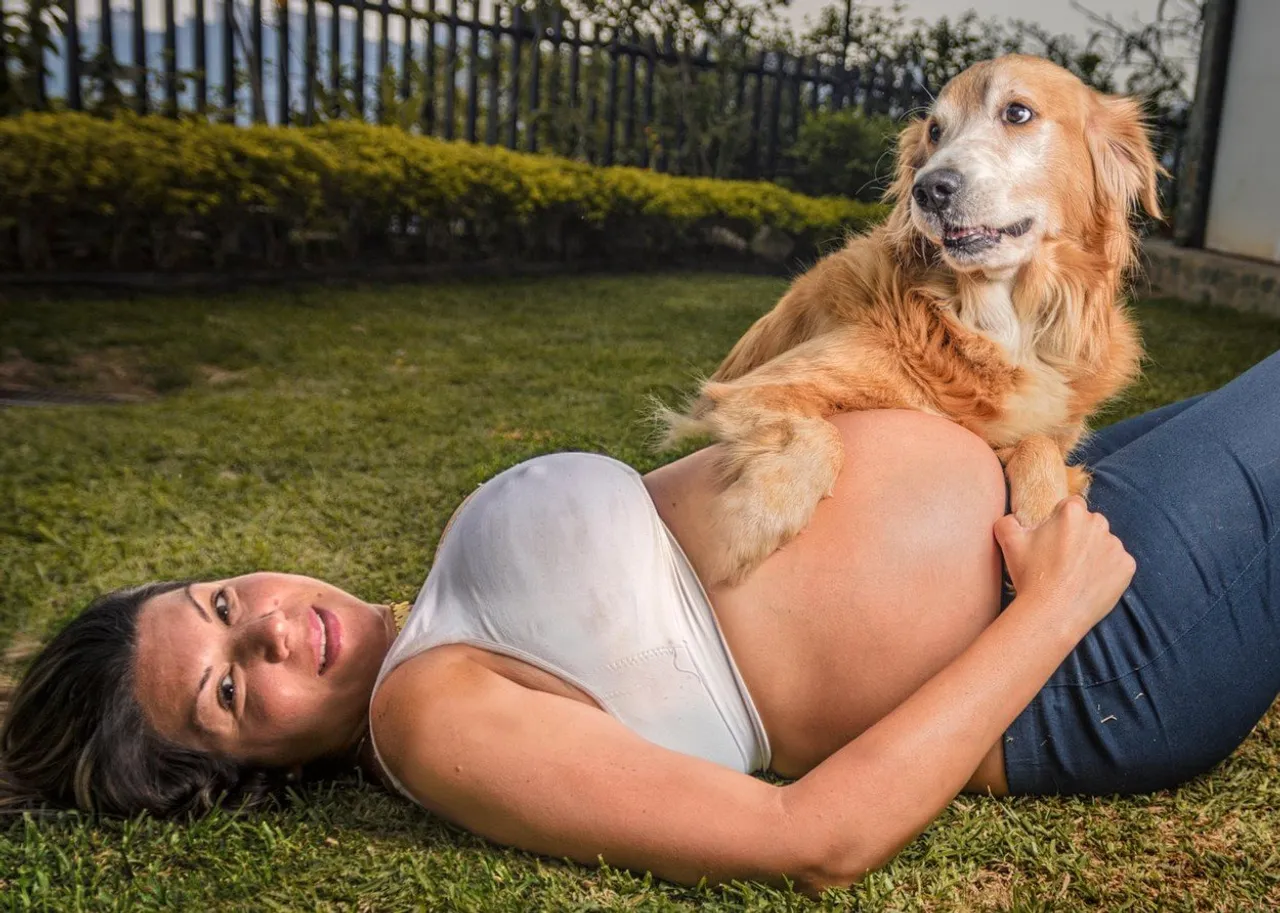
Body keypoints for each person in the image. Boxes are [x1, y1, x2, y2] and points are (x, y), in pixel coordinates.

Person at [3, 349, 1278, 894]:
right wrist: (1050, 614)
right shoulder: (428, 718)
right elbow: (809, 837)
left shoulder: (442, 619)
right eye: (228, 691)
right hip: (1092, 647)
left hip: (1056, 502)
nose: (267, 633)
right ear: (238, 777)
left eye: (223, 605)